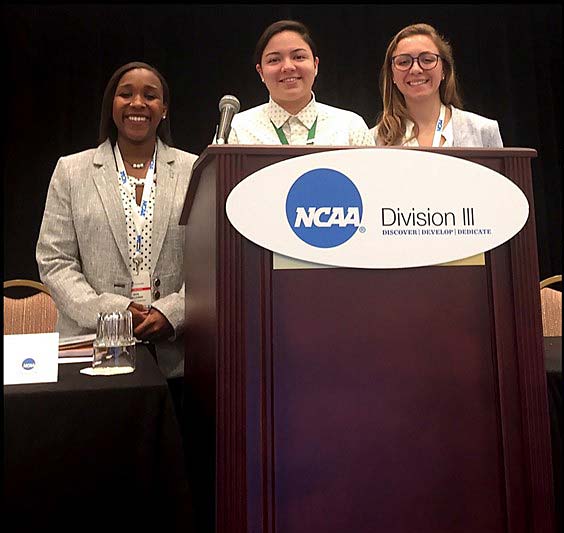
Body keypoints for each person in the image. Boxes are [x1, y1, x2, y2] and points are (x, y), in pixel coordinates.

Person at [36, 61, 198, 415]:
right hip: (91, 351)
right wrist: (115, 312)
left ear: (164, 109)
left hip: (177, 355)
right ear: (112, 105)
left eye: (150, 95)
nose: (137, 103)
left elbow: (213, 262)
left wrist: (172, 312)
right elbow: (54, 260)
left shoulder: (195, 170)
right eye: (126, 94)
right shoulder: (71, 170)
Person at [227, 19, 374, 146]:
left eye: (298, 57)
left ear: (315, 65)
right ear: (261, 72)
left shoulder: (350, 127)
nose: (288, 67)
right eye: (274, 60)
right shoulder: (237, 130)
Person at [373, 23, 503, 147]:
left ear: (444, 70)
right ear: (392, 75)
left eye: (427, 60)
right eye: (404, 62)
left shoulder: (483, 131)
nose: (415, 69)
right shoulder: (374, 139)